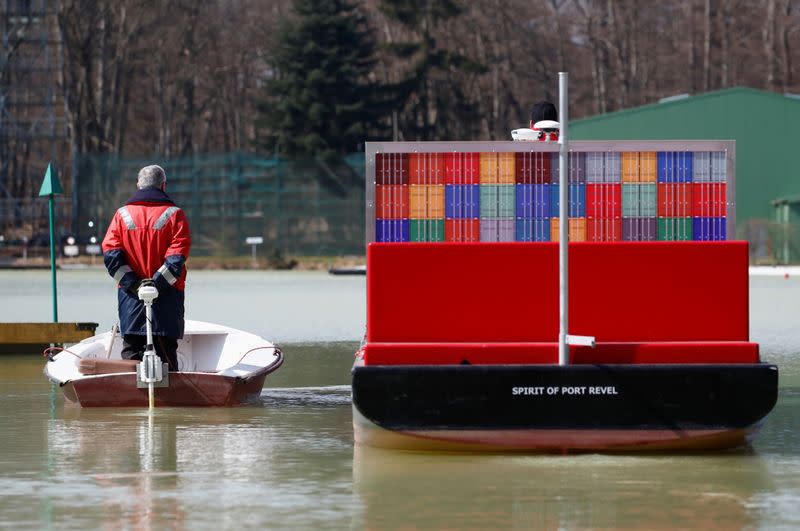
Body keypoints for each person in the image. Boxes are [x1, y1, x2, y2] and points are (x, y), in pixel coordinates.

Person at [102, 165, 191, 371]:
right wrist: (156, 284)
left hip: (130, 299)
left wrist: (133, 284)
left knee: (131, 350)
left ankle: (130, 396)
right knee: (166, 351)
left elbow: (111, 255)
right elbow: (177, 257)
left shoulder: (121, 215)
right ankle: (171, 396)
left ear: (138, 185)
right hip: (167, 299)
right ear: (163, 185)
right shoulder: (175, 215)